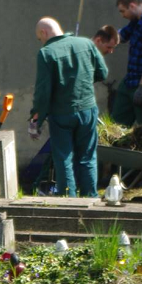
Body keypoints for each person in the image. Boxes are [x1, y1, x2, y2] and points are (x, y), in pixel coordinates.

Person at [28, 17, 109, 198]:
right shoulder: (86, 44)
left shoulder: (46, 53)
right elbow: (102, 73)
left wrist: (36, 118)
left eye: (40, 38)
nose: (41, 42)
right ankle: (90, 199)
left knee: (64, 159)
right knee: (87, 157)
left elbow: (42, 92)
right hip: (87, 110)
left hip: (61, 114)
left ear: (44, 33)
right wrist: (82, 81)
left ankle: (68, 201)